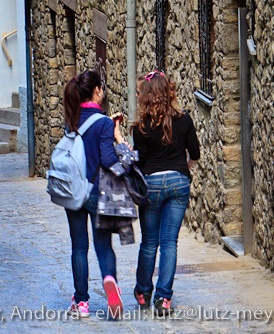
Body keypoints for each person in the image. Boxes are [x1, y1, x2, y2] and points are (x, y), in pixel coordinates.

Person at [132, 70, 200, 316]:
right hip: (179, 182)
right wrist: (185, 167)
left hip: (152, 184)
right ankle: (164, 299)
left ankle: (143, 292)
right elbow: (195, 152)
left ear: (147, 96)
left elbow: (140, 163)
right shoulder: (184, 119)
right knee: (170, 242)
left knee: (150, 242)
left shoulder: (141, 128)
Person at [62, 69, 124, 319]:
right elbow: (108, 159)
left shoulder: (72, 120)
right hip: (98, 191)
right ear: (97, 90)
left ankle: (81, 302)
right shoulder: (104, 123)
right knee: (103, 245)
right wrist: (124, 158)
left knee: (79, 246)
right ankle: (110, 280)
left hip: (74, 190)